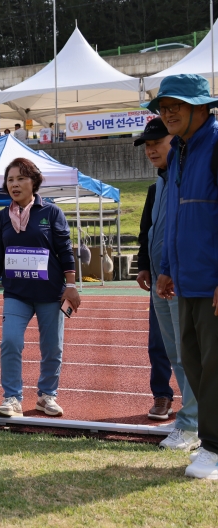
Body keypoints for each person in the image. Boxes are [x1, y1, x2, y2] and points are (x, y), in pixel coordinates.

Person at [152, 74, 218, 479]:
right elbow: (176, 215)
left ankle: (213, 447)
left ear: (202, 106)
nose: (168, 112)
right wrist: (166, 269)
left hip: (210, 282)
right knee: (193, 364)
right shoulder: (178, 151)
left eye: (177, 104)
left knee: (213, 367)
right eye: (163, 106)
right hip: (185, 279)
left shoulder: (215, 144)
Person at [0, 158, 79, 419]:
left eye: (21, 179)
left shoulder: (51, 212)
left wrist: (70, 285)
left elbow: (65, 250)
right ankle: (12, 398)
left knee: (52, 347)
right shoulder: (3, 217)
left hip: (50, 293)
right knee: (10, 342)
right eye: (10, 180)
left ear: (33, 182)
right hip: (16, 293)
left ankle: (47, 395)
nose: (14, 184)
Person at [133, 117, 200, 450]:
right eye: (146, 145)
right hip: (161, 280)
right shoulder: (158, 184)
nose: (150, 150)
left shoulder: (185, 178)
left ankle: (192, 424)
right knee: (174, 352)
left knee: (189, 353)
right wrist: (145, 266)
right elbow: (149, 231)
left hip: (182, 279)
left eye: (156, 143)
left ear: (174, 141)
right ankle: (190, 421)